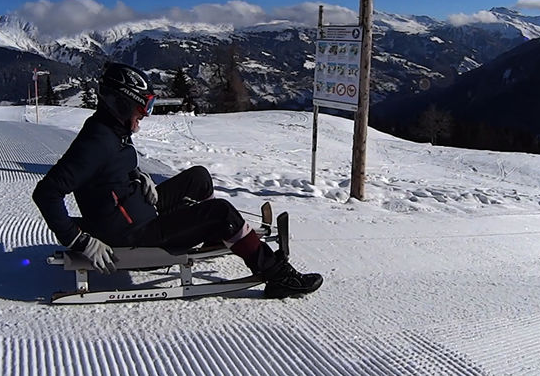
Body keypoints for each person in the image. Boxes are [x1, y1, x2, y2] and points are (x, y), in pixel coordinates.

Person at [32, 62, 322, 298]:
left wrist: (136, 177)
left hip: (138, 212)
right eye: (140, 109)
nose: (143, 116)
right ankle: (277, 275)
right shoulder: (96, 142)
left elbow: (108, 173)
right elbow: (47, 193)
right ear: (119, 104)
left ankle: (213, 237)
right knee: (221, 211)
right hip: (133, 235)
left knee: (199, 177)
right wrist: (80, 241)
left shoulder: (110, 130)